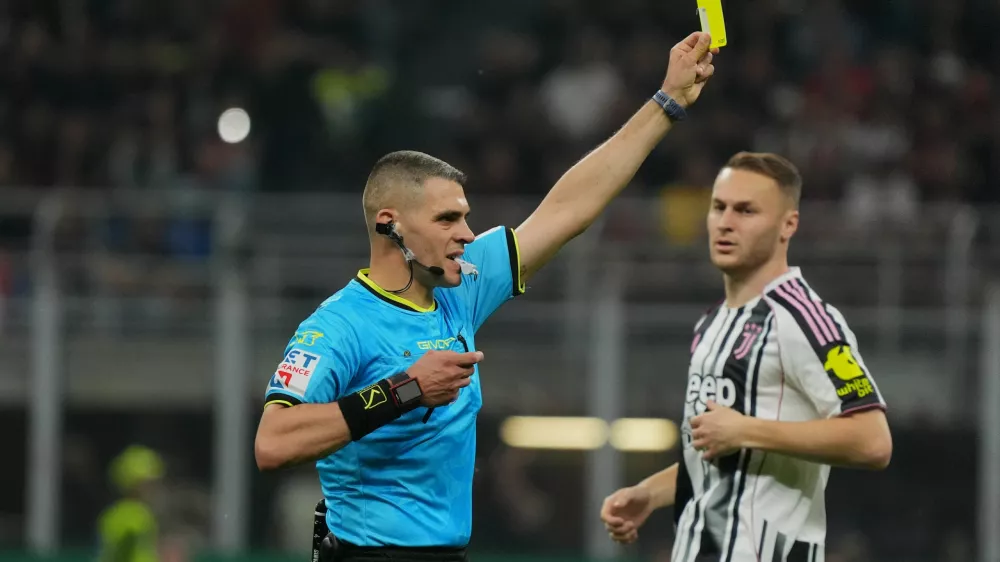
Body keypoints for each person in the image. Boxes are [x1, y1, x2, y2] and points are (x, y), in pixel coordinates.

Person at [253, 31, 718, 562]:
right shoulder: (338, 327)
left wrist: (668, 103)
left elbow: (568, 209)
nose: (468, 233)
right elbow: (274, 443)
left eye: (466, 216)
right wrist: (406, 389)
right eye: (448, 219)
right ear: (391, 226)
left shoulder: (461, 286)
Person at [600, 152, 893, 562]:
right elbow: (723, 451)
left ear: (787, 225)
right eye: (718, 207)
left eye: (746, 211)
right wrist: (649, 493)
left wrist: (746, 430)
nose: (726, 222)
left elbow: (872, 440)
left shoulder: (803, 318)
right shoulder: (712, 323)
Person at [97, 445, 165, 562]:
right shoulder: (130, 514)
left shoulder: (141, 512)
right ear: (134, 485)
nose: (154, 488)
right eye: (148, 483)